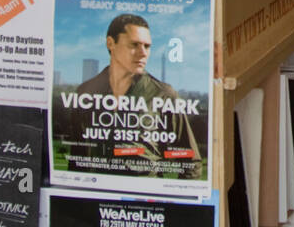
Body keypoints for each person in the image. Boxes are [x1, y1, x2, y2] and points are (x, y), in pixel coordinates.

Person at [72, 14, 201, 178]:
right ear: (111, 43)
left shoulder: (164, 95)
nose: (143, 53)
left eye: (147, 46)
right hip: (98, 196)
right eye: (134, 45)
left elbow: (191, 161)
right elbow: (77, 158)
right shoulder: (86, 92)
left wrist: (170, 202)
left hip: (145, 199)